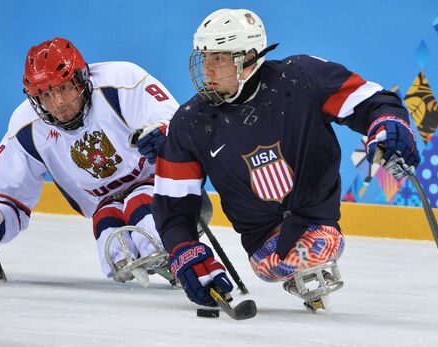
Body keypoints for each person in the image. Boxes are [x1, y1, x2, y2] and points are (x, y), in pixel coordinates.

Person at [148, 9, 420, 309]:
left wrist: (389, 126)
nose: (207, 69)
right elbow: (173, 207)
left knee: (314, 248)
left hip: (318, 222)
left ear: (248, 59)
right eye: (204, 58)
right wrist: (185, 254)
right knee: (277, 259)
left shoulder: (300, 78)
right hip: (262, 245)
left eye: (219, 59)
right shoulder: (189, 122)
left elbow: (372, 102)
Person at [0, 37, 179, 285]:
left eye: (64, 88)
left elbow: (177, 123)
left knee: (140, 204)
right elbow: (6, 192)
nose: (59, 103)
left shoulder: (121, 82)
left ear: (82, 78)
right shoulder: (27, 125)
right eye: (46, 95)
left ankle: (178, 251)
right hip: (104, 202)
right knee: (109, 231)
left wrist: (166, 133)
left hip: (162, 186)